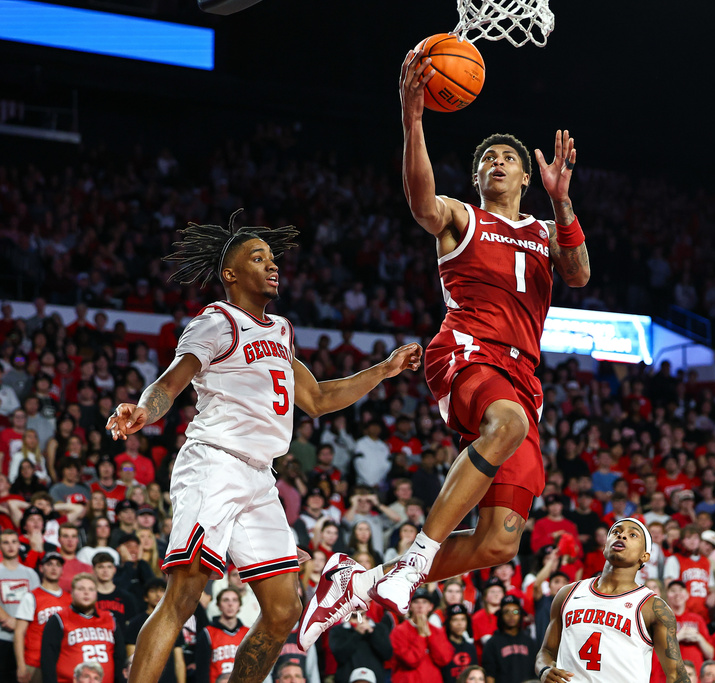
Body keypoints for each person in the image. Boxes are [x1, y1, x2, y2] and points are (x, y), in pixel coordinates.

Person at [297, 50, 592, 643]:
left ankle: (357, 584)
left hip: (522, 375)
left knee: (500, 541)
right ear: (478, 177)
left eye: (509, 158)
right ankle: (415, 559)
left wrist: (562, 202)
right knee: (504, 423)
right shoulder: (463, 217)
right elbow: (421, 204)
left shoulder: (541, 230)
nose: (498, 163)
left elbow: (580, 272)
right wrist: (413, 119)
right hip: (465, 351)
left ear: (527, 177)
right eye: (488, 159)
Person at [105, 211, 422, 683]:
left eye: (272, 258)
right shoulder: (216, 320)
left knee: (283, 611)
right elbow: (172, 382)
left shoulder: (281, 330)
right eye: (258, 258)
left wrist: (383, 370)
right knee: (185, 595)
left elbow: (315, 399)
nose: (272, 265)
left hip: (260, 475)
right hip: (215, 462)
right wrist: (146, 410)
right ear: (230, 274)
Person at [535, 518, 689, 682]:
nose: (622, 536)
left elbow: (677, 676)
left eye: (632, 535)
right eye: (616, 531)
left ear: (644, 556)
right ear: (605, 546)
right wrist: (544, 670)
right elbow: (546, 652)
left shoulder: (652, 607)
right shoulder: (567, 594)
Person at [40, 572, 125, 683]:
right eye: (81, 589)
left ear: (96, 593)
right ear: (72, 593)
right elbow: (48, 660)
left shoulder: (110, 619)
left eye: (91, 589)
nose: (86, 593)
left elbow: (120, 657)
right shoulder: (59, 619)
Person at [14, 552, 70, 683]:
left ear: (62, 570)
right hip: (34, 662)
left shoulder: (70, 599)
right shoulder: (31, 596)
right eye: (49, 564)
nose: (54, 568)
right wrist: (21, 666)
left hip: (61, 662)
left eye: (58, 565)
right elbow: (19, 633)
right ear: (41, 568)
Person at [388, 586, 454, 683]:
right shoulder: (399, 631)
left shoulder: (437, 631)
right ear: (410, 606)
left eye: (424, 602)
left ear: (430, 607)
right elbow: (410, 661)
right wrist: (421, 636)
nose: (420, 606)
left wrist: (429, 635)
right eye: (416, 602)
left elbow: (443, 659)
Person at [125, 580, 184, 683]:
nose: (158, 594)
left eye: (162, 591)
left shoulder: (174, 623)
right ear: (145, 597)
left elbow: (179, 661)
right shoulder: (135, 623)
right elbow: (132, 660)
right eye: (153, 591)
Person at [1, 528, 40, 678]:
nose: (10, 546)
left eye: (13, 542)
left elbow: (37, 603)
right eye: (5, 543)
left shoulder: (30, 573)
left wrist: (19, 627)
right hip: (2, 638)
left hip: (26, 640)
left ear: (19, 545)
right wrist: (8, 619)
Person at [196, 589, 249, 683]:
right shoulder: (207, 633)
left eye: (234, 600)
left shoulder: (248, 633)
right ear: (219, 605)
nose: (230, 604)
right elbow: (202, 671)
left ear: (239, 605)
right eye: (225, 600)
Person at [481, 595, 535, 683]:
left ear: (520, 615)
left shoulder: (529, 642)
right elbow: (490, 675)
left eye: (515, 611)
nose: (511, 616)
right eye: (507, 612)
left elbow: (535, 672)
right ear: (501, 615)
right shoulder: (492, 643)